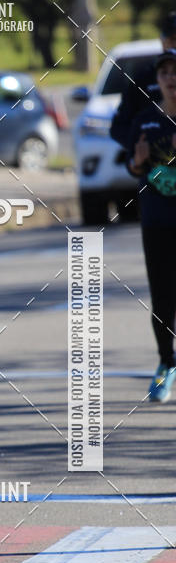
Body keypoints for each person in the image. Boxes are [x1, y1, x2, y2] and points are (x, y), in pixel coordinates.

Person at [126, 48, 176, 402]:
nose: (171, 79)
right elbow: (133, 167)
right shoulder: (145, 120)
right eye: (165, 73)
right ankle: (166, 363)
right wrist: (137, 161)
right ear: (158, 80)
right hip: (157, 221)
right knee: (162, 298)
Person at [110, 12, 176, 149]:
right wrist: (147, 147)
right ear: (162, 40)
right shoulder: (143, 80)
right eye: (172, 39)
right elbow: (119, 127)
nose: (170, 78)